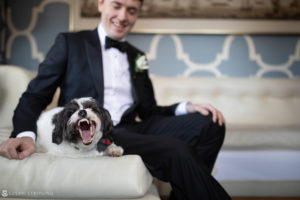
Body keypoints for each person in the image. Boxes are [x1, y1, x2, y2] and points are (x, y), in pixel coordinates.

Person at [0, 0, 231, 199]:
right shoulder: (70, 43)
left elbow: (149, 110)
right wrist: (25, 135)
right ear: (101, 4)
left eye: (131, 10)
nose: (123, 16)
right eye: (117, 5)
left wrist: (186, 107)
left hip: (136, 126)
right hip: (100, 131)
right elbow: (35, 95)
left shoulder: (138, 56)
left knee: (210, 123)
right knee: (178, 151)